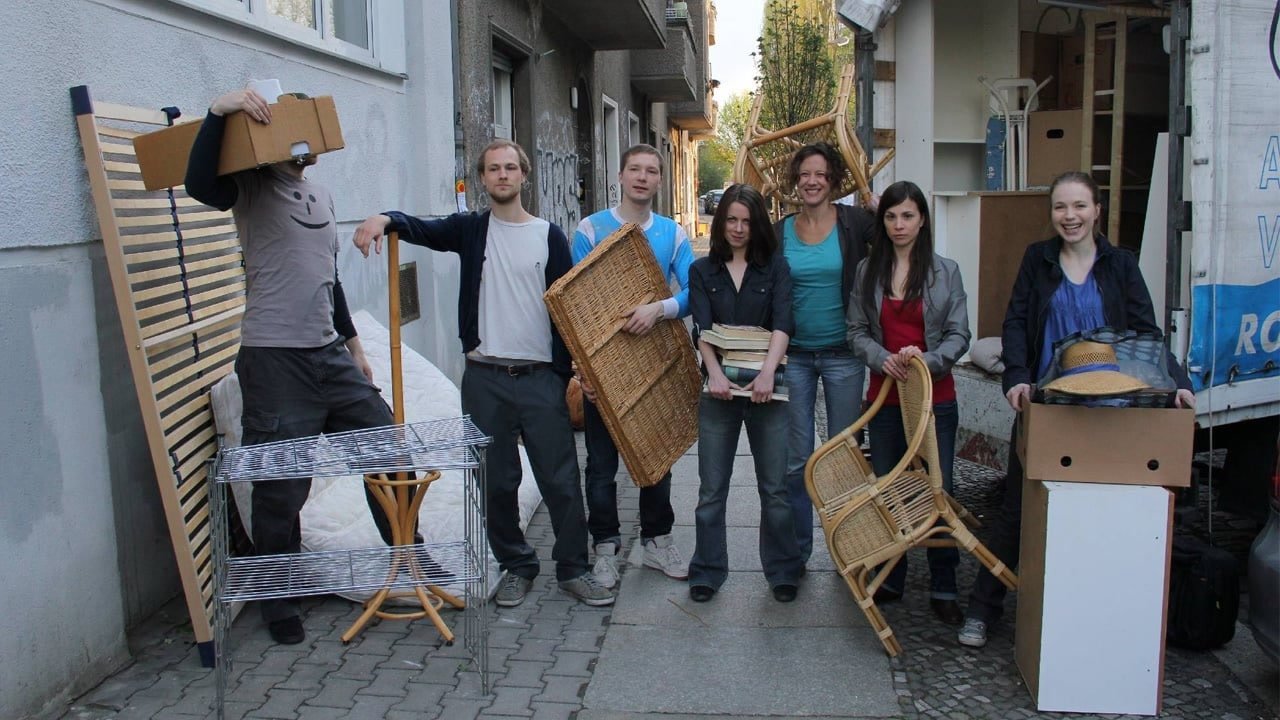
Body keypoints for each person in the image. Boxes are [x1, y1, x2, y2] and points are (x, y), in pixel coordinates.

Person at [351, 139, 614, 609]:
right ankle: (516, 565)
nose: (502, 175)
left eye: (510, 167)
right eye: (493, 168)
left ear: (524, 175)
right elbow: (423, 228)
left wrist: (575, 370)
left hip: (540, 378)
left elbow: (570, 309)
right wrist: (385, 219)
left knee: (560, 479)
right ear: (483, 178)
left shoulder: (548, 236)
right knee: (495, 481)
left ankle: (574, 568)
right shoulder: (471, 230)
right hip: (484, 377)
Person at [184, 87, 398, 645]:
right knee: (281, 487)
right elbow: (198, 185)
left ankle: (408, 559)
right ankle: (278, 600)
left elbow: (329, 279)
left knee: (387, 450)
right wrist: (219, 111)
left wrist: (354, 346)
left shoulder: (321, 195)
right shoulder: (250, 186)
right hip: (274, 359)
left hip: (329, 355)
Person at [957, 171, 1195, 648]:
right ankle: (982, 609)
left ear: (1097, 210)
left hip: (1113, 409)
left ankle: (1093, 619)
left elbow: (1146, 336)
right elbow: (1016, 322)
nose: (1070, 216)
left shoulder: (1120, 265)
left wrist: (1178, 386)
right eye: (1061, 207)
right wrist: (1016, 376)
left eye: (1079, 206)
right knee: (1016, 511)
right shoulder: (1038, 259)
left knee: (1099, 515)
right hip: (1049, 404)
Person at [846, 180, 971, 626]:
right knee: (888, 486)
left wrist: (926, 361)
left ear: (922, 220)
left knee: (940, 489)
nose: (899, 224)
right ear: (882, 222)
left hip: (935, 399)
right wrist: (881, 357)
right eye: (891, 216)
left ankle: (944, 585)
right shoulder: (868, 271)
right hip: (884, 398)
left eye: (907, 216)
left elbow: (959, 334)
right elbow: (855, 331)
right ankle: (891, 574)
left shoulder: (946, 271)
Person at [571, 144, 694, 588]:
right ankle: (605, 546)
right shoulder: (590, 229)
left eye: (651, 171)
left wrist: (659, 309)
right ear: (620, 176)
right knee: (601, 464)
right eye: (635, 169)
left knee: (656, 456)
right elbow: (575, 302)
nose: (643, 177)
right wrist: (582, 370)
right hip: (603, 366)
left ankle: (656, 540)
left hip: (653, 362)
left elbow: (694, 292)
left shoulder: (673, 234)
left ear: (660, 180)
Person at [687, 183, 804, 604]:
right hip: (718, 392)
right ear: (721, 222)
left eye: (747, 221)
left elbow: (783, 323)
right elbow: (702, 328)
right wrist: (715, 375)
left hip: (766, 391)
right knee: (711, 489)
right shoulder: (702, 271)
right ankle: (707, 570)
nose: (738, 228)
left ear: (758, 225)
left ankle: (783, 570)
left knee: (775, 488)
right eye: (732, 220)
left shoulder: (776, 268)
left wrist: (769, 373)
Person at [773, 143, 876, 569]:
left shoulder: (856, 222)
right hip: (794, 357)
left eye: (820, 174)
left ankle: (846, 549)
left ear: (833, 179)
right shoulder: (780, 231)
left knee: (844, 456)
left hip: (844, 354)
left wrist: (882, 208)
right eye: (804, 175)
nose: (812, 181)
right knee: (796, 460)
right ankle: (797, 553)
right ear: (796, 182)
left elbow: (903, 237)